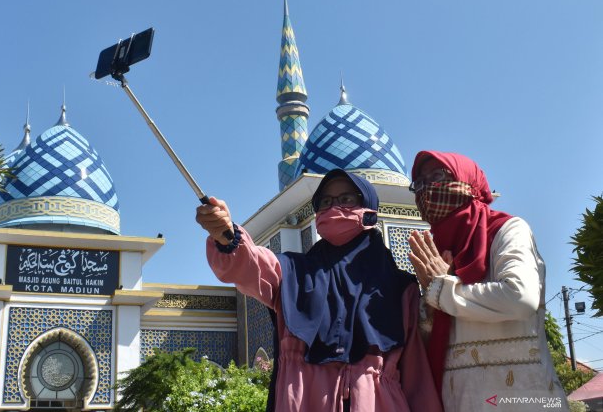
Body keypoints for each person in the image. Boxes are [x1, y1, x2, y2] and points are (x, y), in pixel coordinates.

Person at [196, 169, 442, 412]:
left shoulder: (399, 288)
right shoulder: (293, 273)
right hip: (305, 399)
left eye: (346, 199)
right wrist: (227, 236)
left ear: (369, 209)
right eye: (325, 201)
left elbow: (416, 378)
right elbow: (251, 265)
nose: (334, 208)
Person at [407, 151, 567, 411]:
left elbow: (520, 298)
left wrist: (442, 289)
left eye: (438, 176)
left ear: (468, 182)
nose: (428, 190)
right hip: (460, 400)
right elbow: (431, 340)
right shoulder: (439, 252)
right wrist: (430, 305)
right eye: (420, 183)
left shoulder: (507, 231)